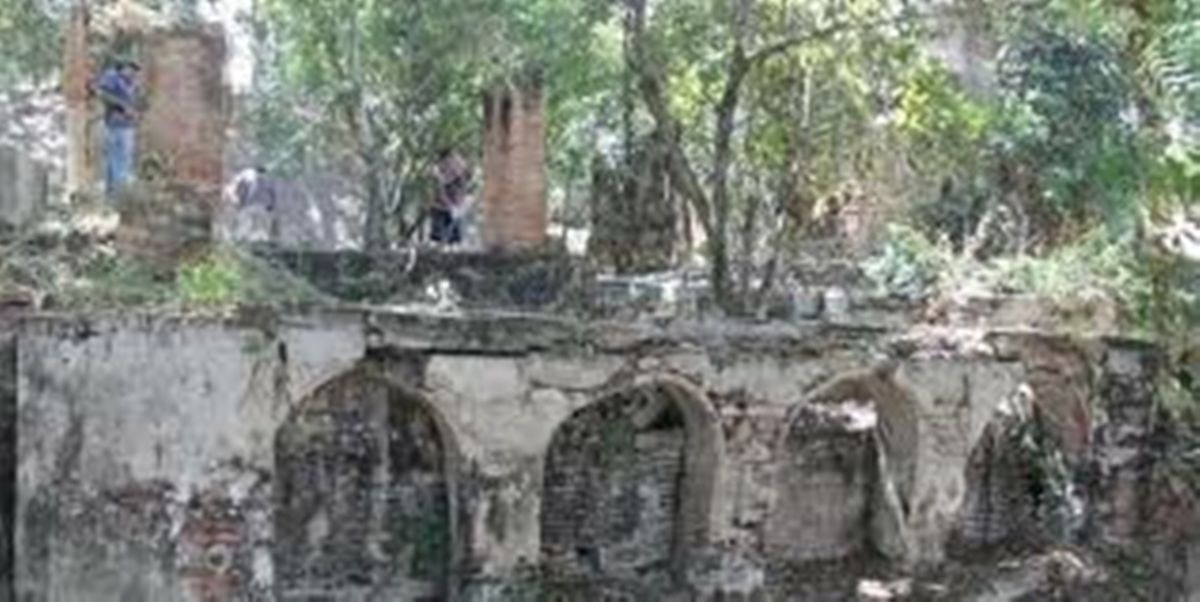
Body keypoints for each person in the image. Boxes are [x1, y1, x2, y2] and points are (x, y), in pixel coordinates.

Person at [95, 59, 141, 199]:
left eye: (135, 71)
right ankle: (120, 192)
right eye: (131, 69)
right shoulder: (112, 76)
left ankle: (112, 194)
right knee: (121, 158)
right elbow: (102, 93)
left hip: (126, 124)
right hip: (116, 123)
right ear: (123, 67)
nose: (133, 73)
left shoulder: (130, 83)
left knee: (116, 159)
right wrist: (122, 107)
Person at [430, 147, 472, 245]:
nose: (456, 163)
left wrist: (462, 205)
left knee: (455, 240)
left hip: (456, 209)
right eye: (450, 161)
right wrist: (451, 207)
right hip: (440, 210)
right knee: (438, 239)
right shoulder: (438, 174)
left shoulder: (460, 176)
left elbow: (465, 191)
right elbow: (440, 192)